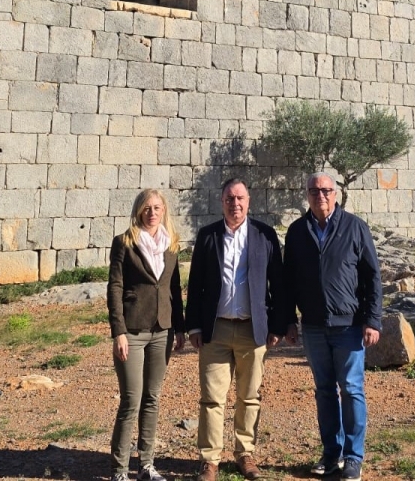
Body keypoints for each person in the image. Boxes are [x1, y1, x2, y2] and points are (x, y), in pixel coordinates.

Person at [185, 178, 288, 481]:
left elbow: (278, 284)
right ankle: (209, 460)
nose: (235, 204)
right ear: (222, 201)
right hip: (215, 330)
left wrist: (279, 324)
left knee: (249, 396)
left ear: (249, 200)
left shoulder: (265, 236)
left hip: (252, 330)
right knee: (212, 398)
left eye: (240, 198)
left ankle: (245, 454)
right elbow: (196, 285)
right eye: (230, 198)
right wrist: (193, 325)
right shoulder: (207, 237)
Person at [284, 172, 383, 481]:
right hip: (313, 326)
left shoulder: (355, 227)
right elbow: (288, 281)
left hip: (350, 325)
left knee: (351, 390)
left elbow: (372, 277)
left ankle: (354, 457)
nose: (321, 196)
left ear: (336, 194)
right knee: (324, 391)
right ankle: (332, 454)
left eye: (326, 190)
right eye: (314, 191)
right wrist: (289, 320)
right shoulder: (297, 231)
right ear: (307, 195)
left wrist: (373, 320)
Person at [107, 189, 186, 481]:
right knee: (131, 399)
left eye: (157, 207)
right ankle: (119, 470)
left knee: (152, 398)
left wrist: (179, 327)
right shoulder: (124, 243)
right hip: (132, 331)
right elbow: (114, 287)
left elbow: (174, 289)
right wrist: (118, 332)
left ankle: (147, 465)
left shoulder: (172, 245)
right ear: (138, 211)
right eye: (146, 208)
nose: (152, 213)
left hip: (162, 331)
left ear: (163, 211)